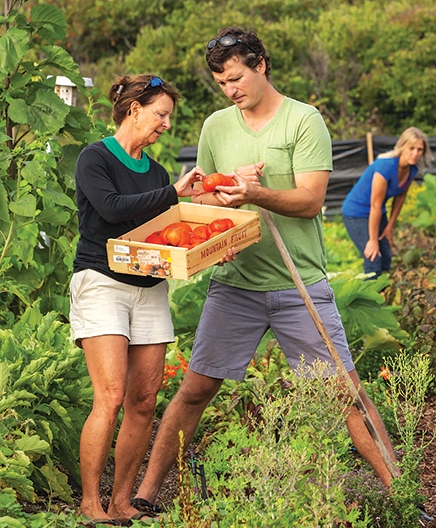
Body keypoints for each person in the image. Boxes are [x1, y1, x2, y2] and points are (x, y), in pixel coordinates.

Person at [131, 27, 398, 514]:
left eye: (236, 78)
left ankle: (403, 493)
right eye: (221, 84)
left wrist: (254, 193)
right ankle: (145, 496)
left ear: (261, 65)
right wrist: (222, 218)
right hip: (235, 287)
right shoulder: (216, 126)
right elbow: (209, 195)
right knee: (196, 388)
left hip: (299, 284)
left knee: (344, 392)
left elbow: (311, 200)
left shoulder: (303, 120)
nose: (231, 91)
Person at [70, 74, 204, 524]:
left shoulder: (159, 171)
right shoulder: (95, 158)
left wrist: (205, 249)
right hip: (101, 282)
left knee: (144, 398)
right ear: (134, 110)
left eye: (168, 116)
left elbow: (164, 236)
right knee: (109, 395)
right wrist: (174, 193)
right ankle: (91, 503)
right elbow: (109, 208)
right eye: (161, 114)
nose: (166, 124)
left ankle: (122, 501)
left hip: (148, 289)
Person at [341, 127, 433, 277]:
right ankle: (369, 298)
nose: (415, 154)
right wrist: (372, 240)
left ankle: (382, 296)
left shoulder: (412, 168)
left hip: (378, 213)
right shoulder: (385, 167)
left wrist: (390, 226)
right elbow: (375, 205)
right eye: (411, 148)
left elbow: (400, 197)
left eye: (419, 149)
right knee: (373, 258)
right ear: (402, 146)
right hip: (356, 213)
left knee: (386, 257)